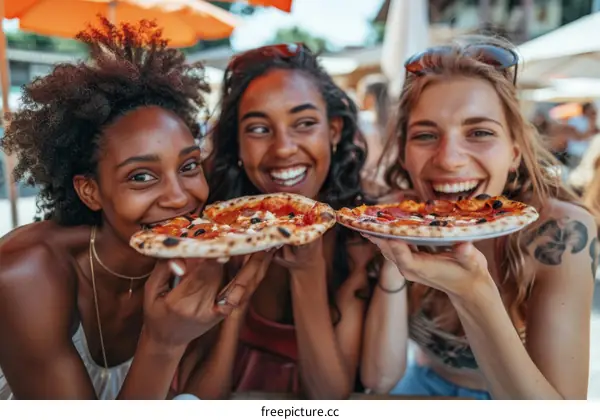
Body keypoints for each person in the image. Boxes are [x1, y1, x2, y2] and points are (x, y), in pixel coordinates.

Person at [0, 18, 269, 400]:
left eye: (189, 166)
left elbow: (202, 397)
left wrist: (232, 308)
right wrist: (163, 344)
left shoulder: (193, 256)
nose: (179, 198)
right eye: (142, 177)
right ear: (90, 191)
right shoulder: (23, 274)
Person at [360, 38, 598, 399]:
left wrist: (473, 292)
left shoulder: (560, 232)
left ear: (514, 152)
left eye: (480, 133)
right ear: (404, 154)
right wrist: (394, 248)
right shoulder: (397, 217)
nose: (450, 159)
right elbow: (380, 379)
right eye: (425, 135)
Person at [180, 43, 390, 399]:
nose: (283, 149)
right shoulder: (213, 232)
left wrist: (307, 271)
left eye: (305, 124)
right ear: (238, 144)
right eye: (259, 129)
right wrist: (236, 284)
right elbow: (199, 399)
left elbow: (330, 400)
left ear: (334, 131)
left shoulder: (364, 238)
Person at [356, 74, 393, 199]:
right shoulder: (396, 120)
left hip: (368, 183)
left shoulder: (363, 120)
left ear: (370, 97)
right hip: (392, 180)